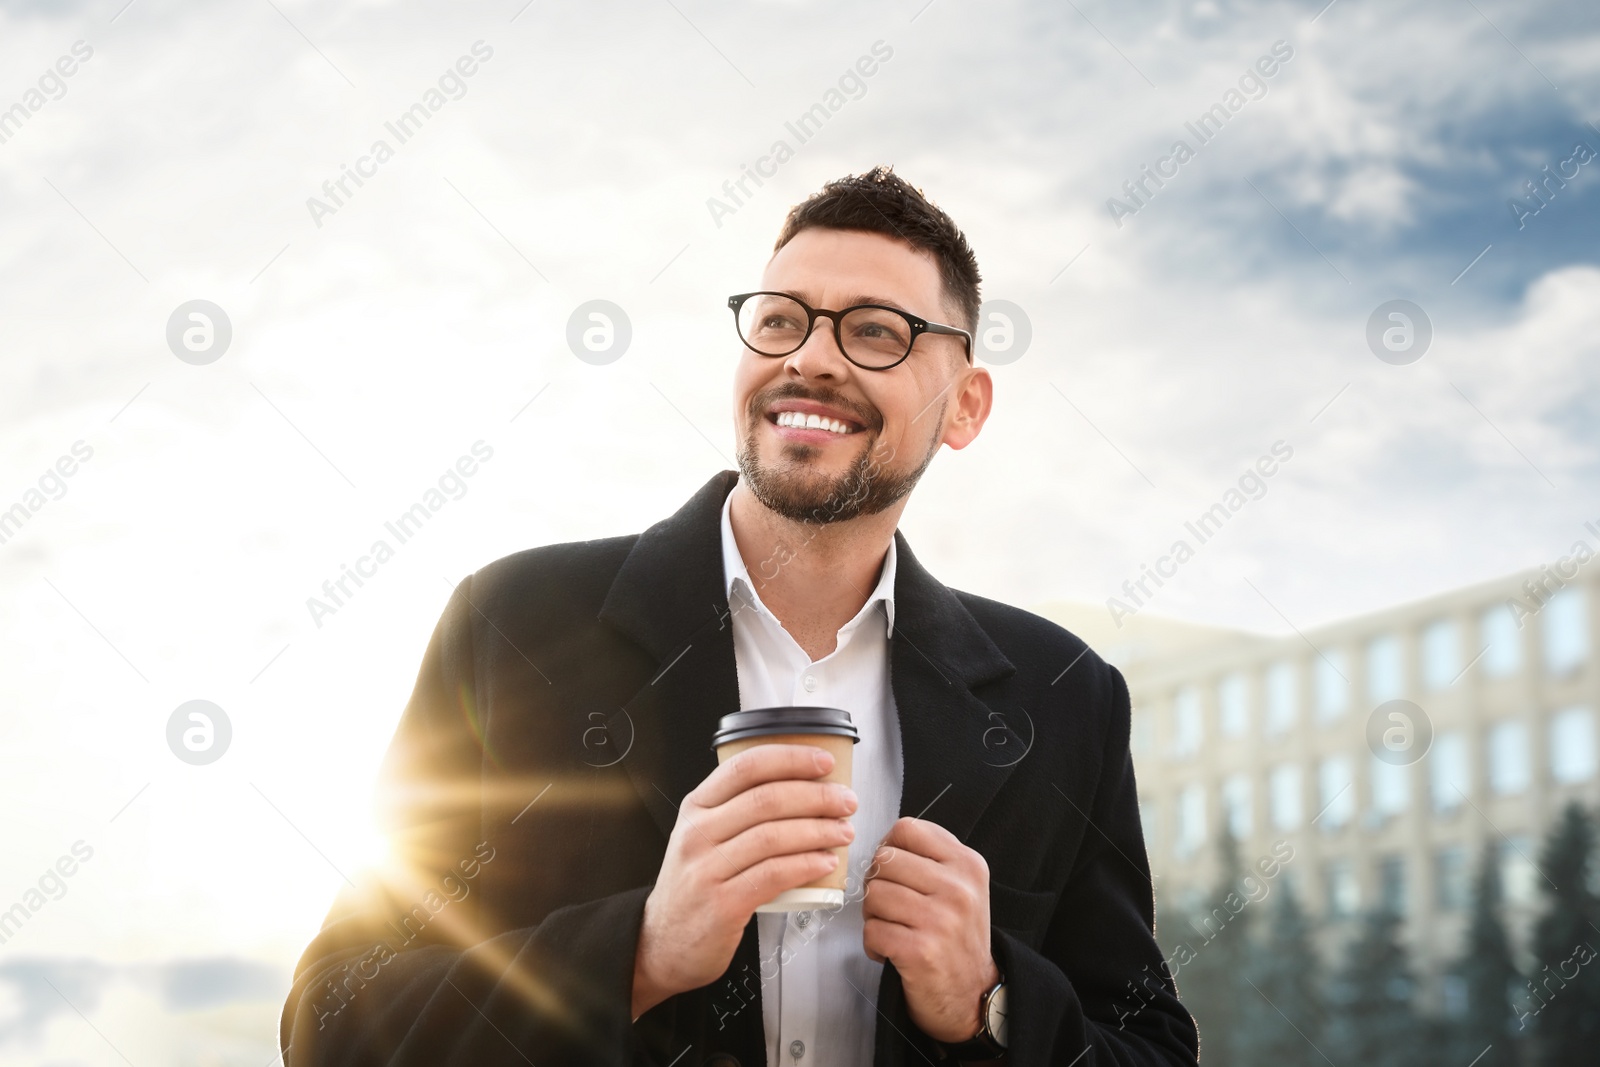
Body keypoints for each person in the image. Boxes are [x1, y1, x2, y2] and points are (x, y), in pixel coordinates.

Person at [280, 166, 1198, 1066]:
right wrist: (637, 952)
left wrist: (993, 1003)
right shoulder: (515, 626)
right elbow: (334, 1023)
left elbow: (1153, 1048)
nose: (810, 356)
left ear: (964, 406)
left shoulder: (1065, 697)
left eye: (876, 331)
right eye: (781, 320)